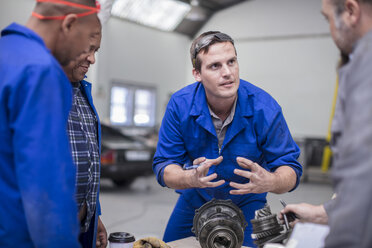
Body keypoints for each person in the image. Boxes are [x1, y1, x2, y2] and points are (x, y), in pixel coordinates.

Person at [153, 31, 303, 247]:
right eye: (215, 66)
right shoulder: (180, 105)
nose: (228, 73)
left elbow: (291, 169)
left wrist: (271, 181)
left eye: (231, 62)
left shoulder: (264, 108)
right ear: (197, 73)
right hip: (195, 197)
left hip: (248, 198)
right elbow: (164, 166)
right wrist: (190, 178)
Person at [0, 0, 101, 247]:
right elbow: (46, 189)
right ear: (68, 24)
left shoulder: (6, 51)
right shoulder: (41, 70)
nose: (90, 57)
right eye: (88, 42)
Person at [281, 0, 372, 247]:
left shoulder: (365, 71)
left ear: (351, 12)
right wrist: (325, 213)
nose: (330, 29)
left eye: (328, 18)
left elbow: (363, 181)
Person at [63, 22, 107, 248]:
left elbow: (88, 162)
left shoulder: (83, 92)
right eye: (86, 49)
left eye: (95, 51)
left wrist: (94, 214)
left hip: (83, 228)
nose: (92, 59)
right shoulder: (42, 90)